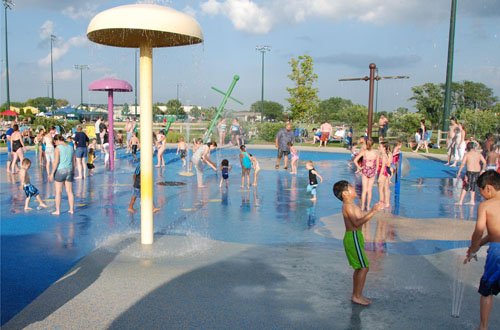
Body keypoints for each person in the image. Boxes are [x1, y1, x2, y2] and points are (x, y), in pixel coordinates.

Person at [333, 180, 383, 306]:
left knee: (360, 268)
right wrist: (373, 211)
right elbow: (356, 223)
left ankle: (356, 294)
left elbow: (359, 219)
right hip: (353, 237)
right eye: (351, 187)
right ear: (345, 193)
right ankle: (357, 296)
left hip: (356, 237)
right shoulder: (348, 206)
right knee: (364, 267)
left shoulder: (352, 205)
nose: (354, 188)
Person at [464, 170, 500, 330]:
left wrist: (472, 249)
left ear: (489, 188)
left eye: (482, 192)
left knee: (487, 290)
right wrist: (479, 245)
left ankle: (483, 327)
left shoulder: (486, 206)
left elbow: (479, 231)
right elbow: (494, 234)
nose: (482, 196)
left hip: (497, 252)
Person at [50, 134, 74, 215]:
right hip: (69, 170)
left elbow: (56, 162)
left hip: (61, 170)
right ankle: (71, 209)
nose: (55, 144)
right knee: (70, 191)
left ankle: (58, 210)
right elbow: (73, 161)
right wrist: (73, 170)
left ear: (57, 140)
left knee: (58, 192)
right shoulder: (71, 147)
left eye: (55, 142)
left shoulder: (58, 148)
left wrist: (52, 173)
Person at [353, 138, 379, 211]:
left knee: (364, 190)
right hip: (372, 171)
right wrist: (376, 171)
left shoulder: (364, 152)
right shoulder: (376, 153)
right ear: (373, 144)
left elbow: (355, 160)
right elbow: (377, 164)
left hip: (365, 170)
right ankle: (367, 206)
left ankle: (362, 206)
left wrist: (360, 167)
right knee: (369, 190)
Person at [378, 142, 392, 208]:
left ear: (384, 147)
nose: (379, 148)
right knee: (385, 188)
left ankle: (381, 204)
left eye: (380, 146)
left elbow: (383, 166)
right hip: (385, 172)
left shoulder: (384, 155)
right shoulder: (384, 154)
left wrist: (379, 176)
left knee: (380, 189)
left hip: (383, 173)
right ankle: (387, 203)